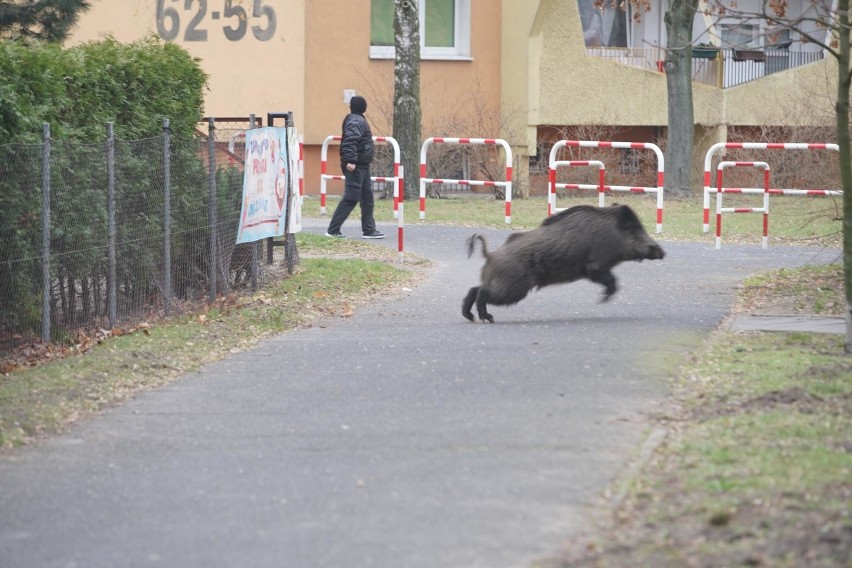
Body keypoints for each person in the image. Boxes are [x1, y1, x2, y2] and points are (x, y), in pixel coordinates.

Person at [325, 95, 385, 239]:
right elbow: (350, 141)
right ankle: (333, 230)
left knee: (367, 198)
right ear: (364, 108)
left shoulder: (355, 120)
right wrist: (351, 160)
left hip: (362, 165)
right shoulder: (356, 121)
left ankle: (369, 230)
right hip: (355, 165)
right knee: (351, 197)